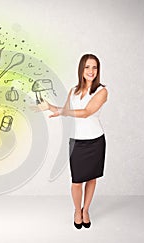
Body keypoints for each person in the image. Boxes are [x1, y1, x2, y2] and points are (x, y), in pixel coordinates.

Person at [34, 54, 108, 229]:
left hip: (96, 141)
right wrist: (50, 107)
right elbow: (66, 111)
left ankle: (86, 210)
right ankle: (77, 210)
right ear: (81, 69)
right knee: (77, 181)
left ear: (98, 71)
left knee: (91, 178)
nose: (91, 71)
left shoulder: (102, 91)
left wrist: (62, 111)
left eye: (94, 67)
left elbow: (87, 112)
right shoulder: (73, 91)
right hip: (77, 141)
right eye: (87, 67)